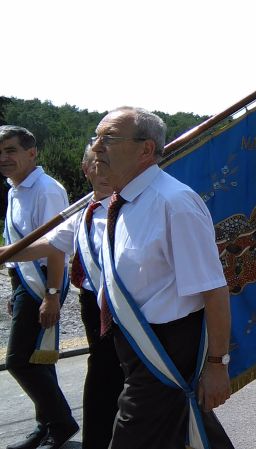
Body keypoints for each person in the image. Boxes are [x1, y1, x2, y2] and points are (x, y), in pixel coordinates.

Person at [90, 107, 234, 448]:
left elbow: (214, 291)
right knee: (189, 430)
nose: (96, 147)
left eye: (108, 138)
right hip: (135, 346)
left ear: (146, 149)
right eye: (96, 138)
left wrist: (217, 364)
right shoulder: (123, 203)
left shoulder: (174, 203)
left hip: (166, 349)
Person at [0, 146, 123, 449]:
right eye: (96, 164)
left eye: (110, 163)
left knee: (133, 382)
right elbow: (47, 245)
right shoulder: (83, 211)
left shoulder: (133, 207)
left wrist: (52, 294)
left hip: (130, 309)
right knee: (103, 378)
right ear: (86, 170)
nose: (103, 171)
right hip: (94, 305)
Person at [0, 125, 77, 449]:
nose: (4, 158)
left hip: (45, 281)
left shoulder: (46, 190)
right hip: (25, 280)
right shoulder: (14, 188)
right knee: (37, 358)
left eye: (11, 150)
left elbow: (57, 247)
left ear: (32, 153)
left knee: (18, 361)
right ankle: (45, 426)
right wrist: (15, 287)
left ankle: (61, 423)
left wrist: (52, 295)